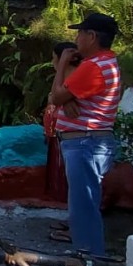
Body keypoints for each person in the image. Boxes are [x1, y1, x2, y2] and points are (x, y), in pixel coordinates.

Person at [48, 13, 122, 256]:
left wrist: (62, 64)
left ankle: (89, 259)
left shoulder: (93, 66)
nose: (76, 38)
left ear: (91, 36)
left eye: (80, 33)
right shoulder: (106, 62)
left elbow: (57, 96)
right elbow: (64, 97)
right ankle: (87, 255)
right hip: (90, 141)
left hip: (85, 142)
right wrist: (65, 99)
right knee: (84, 204)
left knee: (83, 207)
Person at [43, 42, 79, 218]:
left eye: (54, 58)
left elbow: (55, 97)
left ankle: (76, 222)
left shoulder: (74, 76)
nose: (52, 62)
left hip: (71, 136)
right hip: (58, 133)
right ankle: (72, 218)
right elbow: (53, 97)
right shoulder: (63, 77)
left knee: (72, 182)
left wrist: (60, 99)